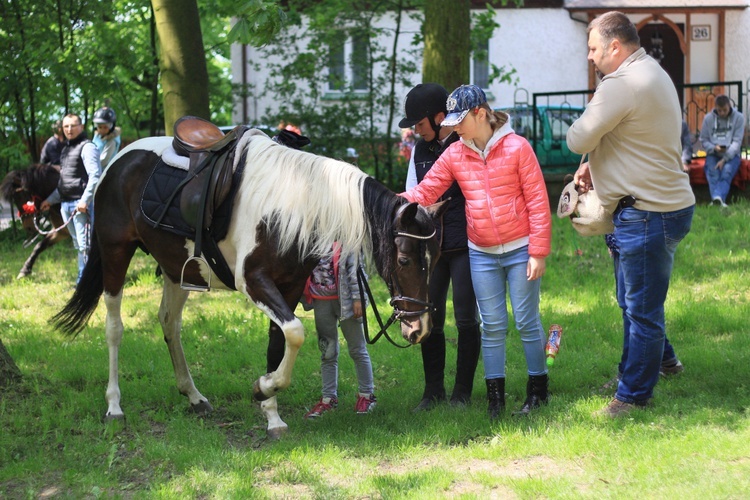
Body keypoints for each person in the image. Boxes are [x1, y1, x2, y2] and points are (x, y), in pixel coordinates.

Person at [566, 11, 695, 418]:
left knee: (641, 307)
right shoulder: (652, 71)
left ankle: (633, 395)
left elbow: (576, 138)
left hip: (646, 212)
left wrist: (590, 146)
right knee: (634, 298)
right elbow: (637, 138)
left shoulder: (620, 83)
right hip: (665, 205)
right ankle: (661, 362)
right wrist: (598, 160)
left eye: (592, 48)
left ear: (614, 47)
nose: (589, 56)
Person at [401, 84, 552, 420]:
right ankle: (495, 399)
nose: (455, 127)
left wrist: (538, 252)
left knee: (527, 322)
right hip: (481, 252)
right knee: (492, 325)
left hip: (520, 249)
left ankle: (538, 391)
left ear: (479, 113)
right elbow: (426, 190)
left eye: (460, 120)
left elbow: (539, 203)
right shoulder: (455, 153)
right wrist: (390, 203)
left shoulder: (518, 148)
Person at [399, 83, 481, 411]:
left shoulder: (466, 145)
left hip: (463, 245)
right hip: (430, 248)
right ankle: (433, 390)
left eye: (419, 124)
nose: (416, 131)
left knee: (465, 318)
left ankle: (461, 392)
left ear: (439, 118)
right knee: (429, 316)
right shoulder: (419, 152)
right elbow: (412, 193)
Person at [302, 243, 377, 418]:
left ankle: (367, 395)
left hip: (347, 303)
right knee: (327, 353)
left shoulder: (346, 235)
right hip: (321, 301)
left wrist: (358, 298)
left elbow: (356, 268)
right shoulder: (311, 235)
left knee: (357, 349)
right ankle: (328, 399)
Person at [602, 233, 683, 391]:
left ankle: (627, 374)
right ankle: (668, 360)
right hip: (622, 239)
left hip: (635, 237)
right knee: (635, 306)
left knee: (634, 308)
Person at [40, 113, 102, 284]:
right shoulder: (66, 149)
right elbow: (64, 183)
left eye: (73, 125)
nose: (69, 129)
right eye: (66, 126)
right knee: (79, 246)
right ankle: (90, 280)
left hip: (80, 206)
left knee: (85, 247)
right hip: (66, 205)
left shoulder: (87, 147)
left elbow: (96, 176)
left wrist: (85, 200)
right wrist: (50, 200)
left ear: (81, 127)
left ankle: (83, 284)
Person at [699, 94, 746, 207]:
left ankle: (716, 199)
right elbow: (703, 139)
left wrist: (724, 159)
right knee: (712, 173)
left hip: (731, 154)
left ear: (729, 106)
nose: (722, 113)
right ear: (715, 108)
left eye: (724, 110)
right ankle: (719, 200)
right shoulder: (708, 119)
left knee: (727, 172)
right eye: (719, 110)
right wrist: (714, 148)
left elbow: (737, 142)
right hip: (713, 153)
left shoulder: (739, 118)